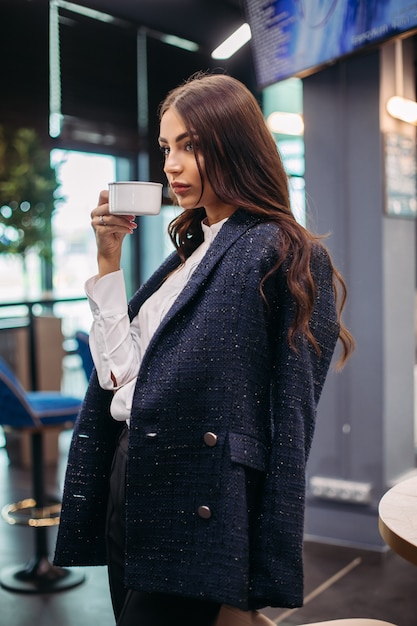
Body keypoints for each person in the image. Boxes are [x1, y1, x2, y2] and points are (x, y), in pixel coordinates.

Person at [54, 72, 354, 626]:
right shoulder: (186, 255)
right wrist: (107, 261)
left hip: (202, 494)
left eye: (190, 145)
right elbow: (118, 377)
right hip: (134, 471)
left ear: (233, 144)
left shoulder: (282, 248)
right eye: (167, 147)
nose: (170, 164)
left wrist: (266, 556)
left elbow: (291, 423)